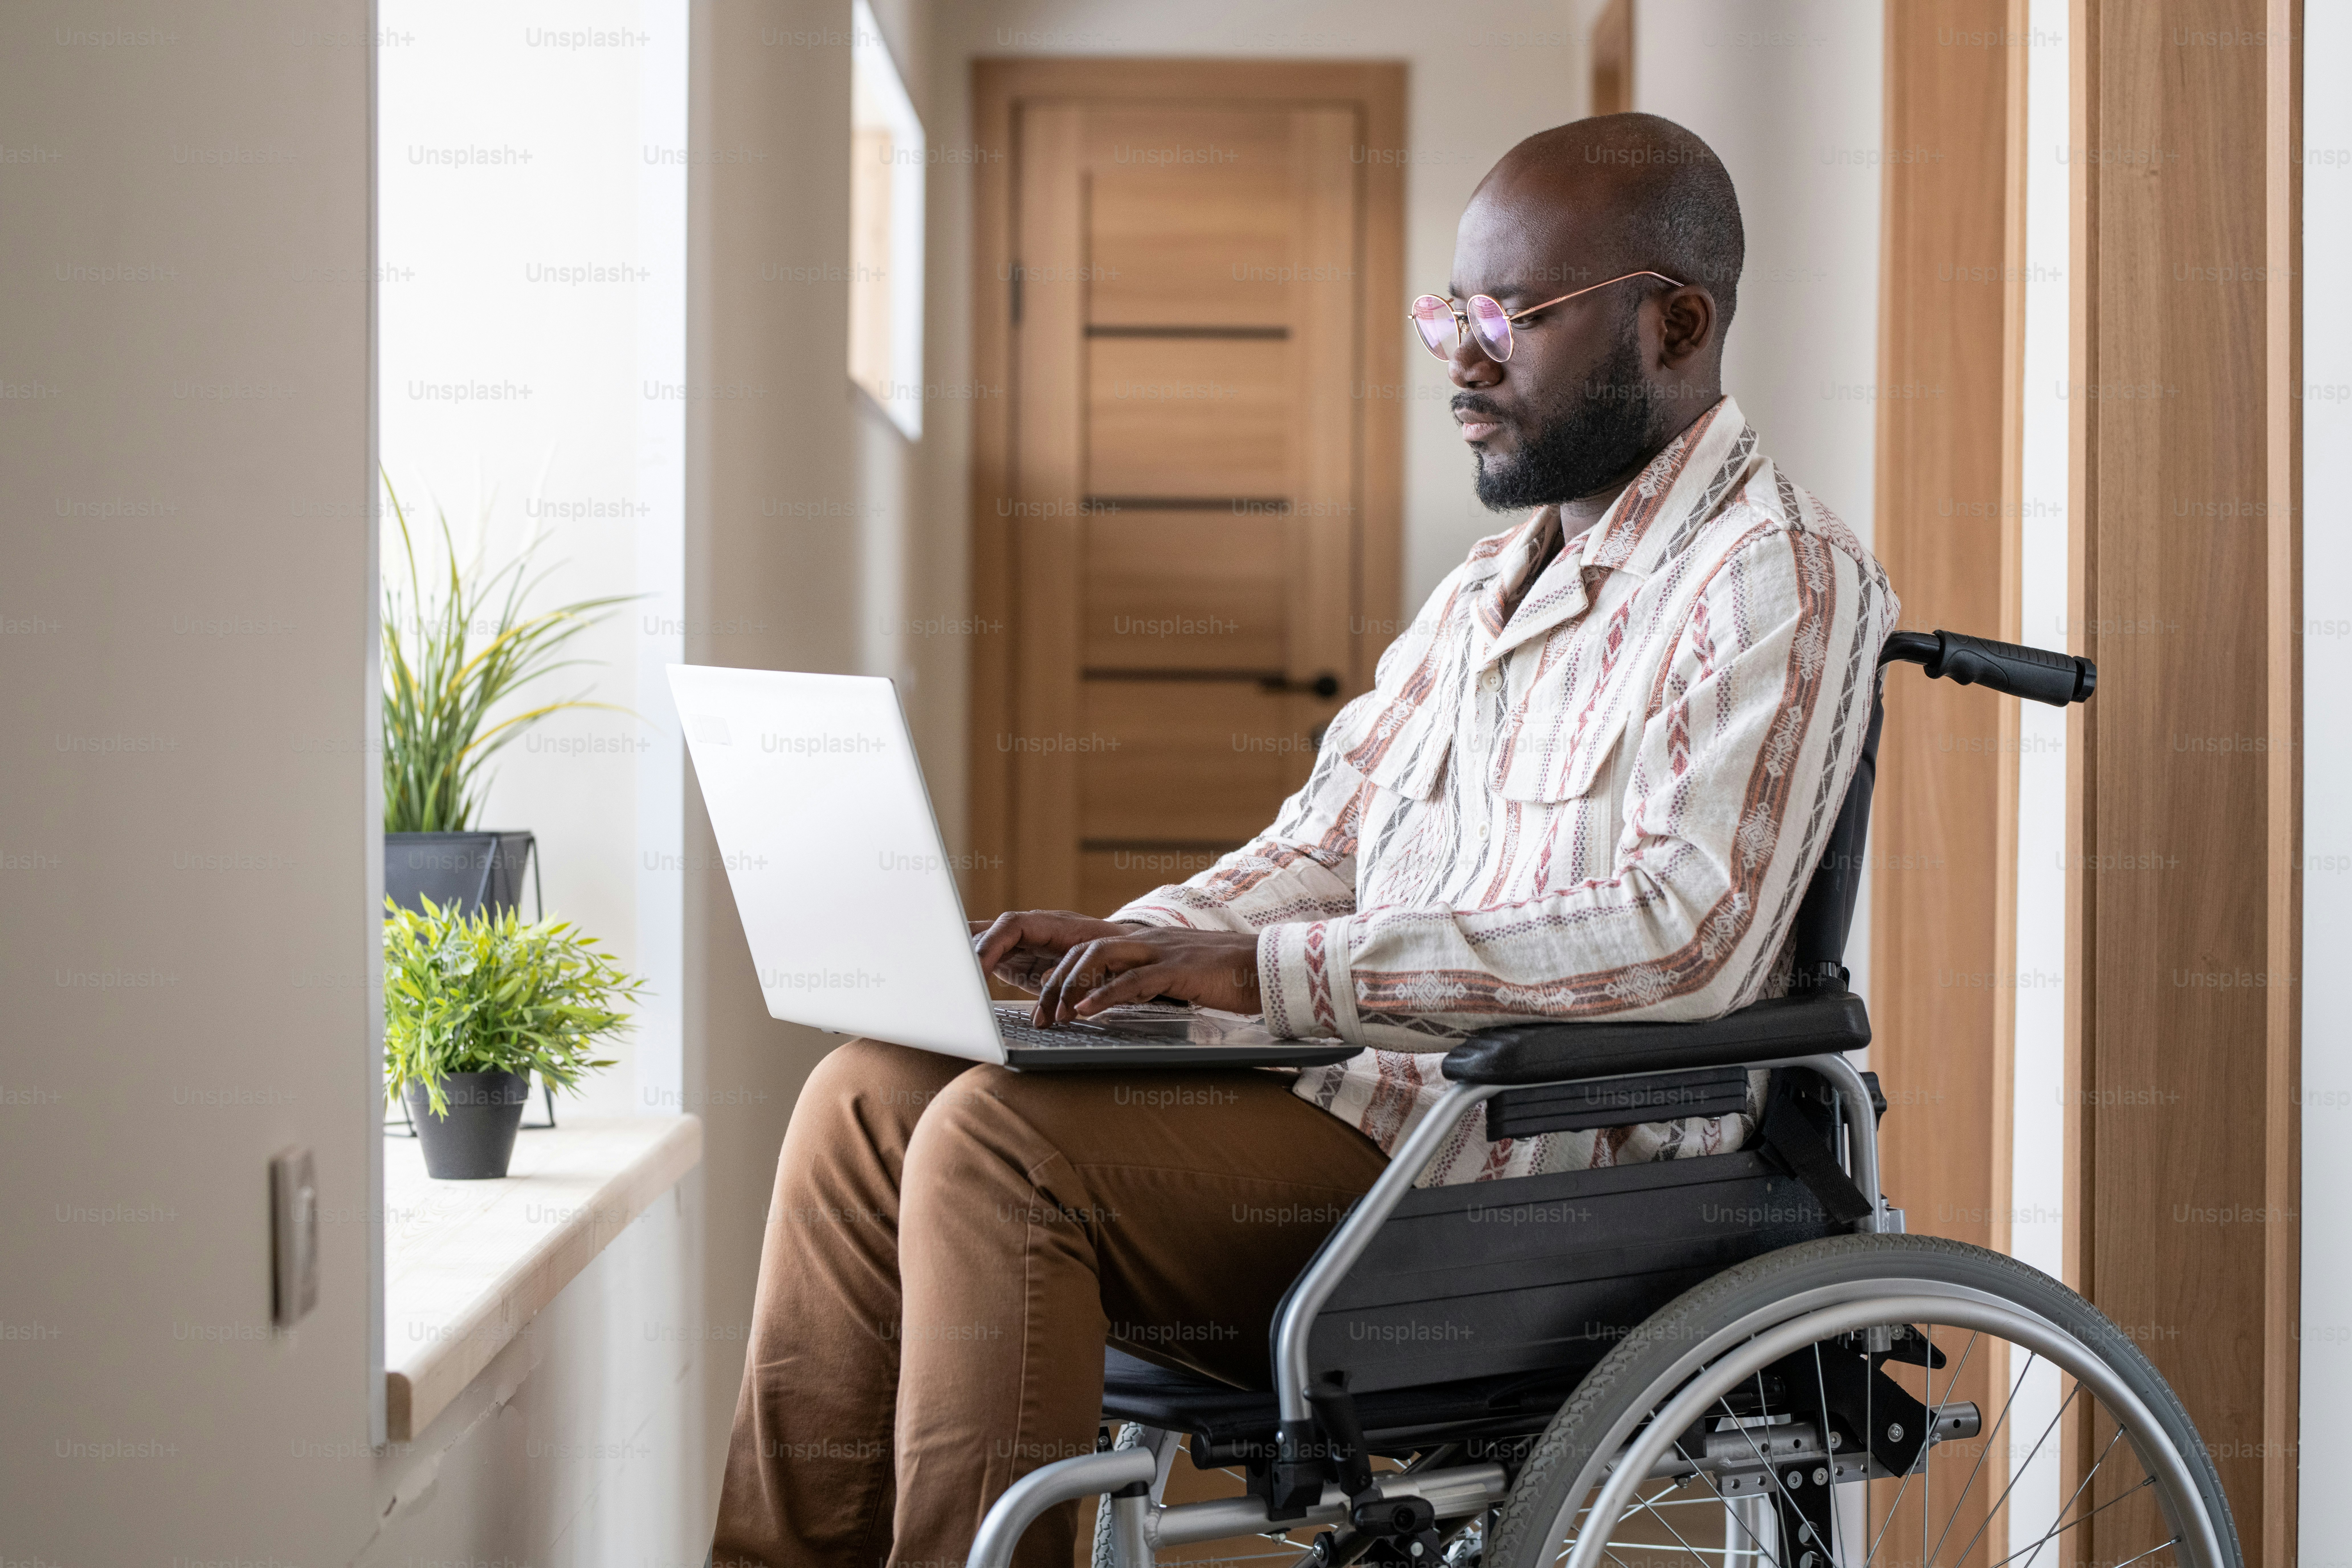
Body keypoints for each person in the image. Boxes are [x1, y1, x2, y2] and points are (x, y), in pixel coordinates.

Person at [711, 112, 1898, 1568]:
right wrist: (1135, 948)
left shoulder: (1777, 575)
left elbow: (1684, 932)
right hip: (1360, 1109)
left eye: (1512, 318)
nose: (1464, 361)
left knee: (996, 1149)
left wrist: (1262, 973)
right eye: (1452, 314)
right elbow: (1325, 841)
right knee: (868, 1093)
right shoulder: (1489, 588)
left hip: (1533, 1171)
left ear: (1677, 323)